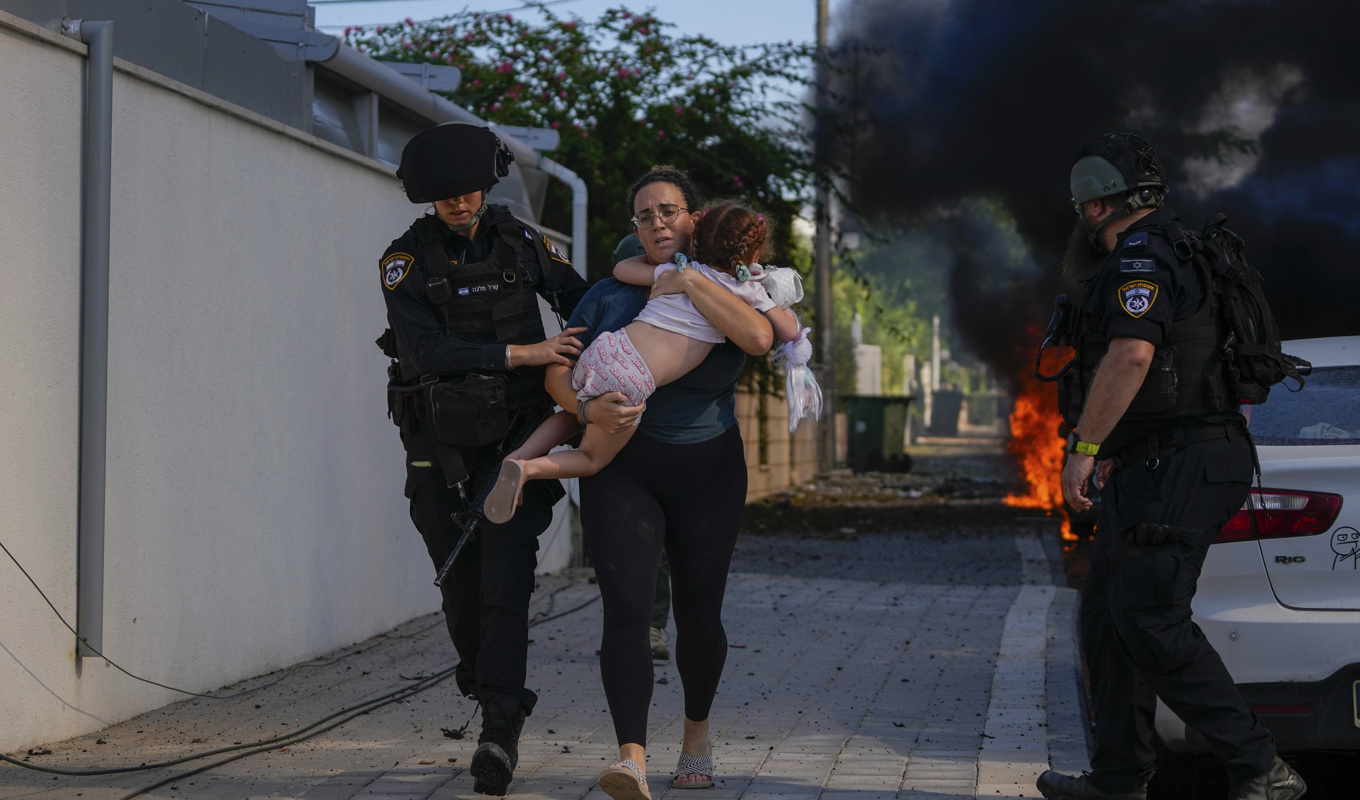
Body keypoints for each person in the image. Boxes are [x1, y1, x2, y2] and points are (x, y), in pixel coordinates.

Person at [1035, 133, 1306, 800]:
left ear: (1095, 207)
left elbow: (1132, 355)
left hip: (1180, 463)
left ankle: (1260, 767)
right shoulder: (1177, 247)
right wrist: (1113, 450)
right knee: (1108, 620)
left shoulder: (1142, 256)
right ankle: (1118, 779)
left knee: (1151, 619)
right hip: (1155, 461)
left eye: (1081, 207)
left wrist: (1085, 448)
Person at [545, 166, 775, 800]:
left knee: (700, 616)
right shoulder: (608, 295)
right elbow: (558, 373)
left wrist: (691, 280)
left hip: (709, 469)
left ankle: (696, 736)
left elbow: (762, 337)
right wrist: (584, 406)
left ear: (694, 218)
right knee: (626, 610)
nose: (657, 224)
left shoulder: (732, 285)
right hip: (624, 467)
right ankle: (632, 760)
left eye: (668, 211)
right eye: (645, 216)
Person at [376, 122, 590, 797]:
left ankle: (499, 727)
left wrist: (600, 355)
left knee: (505, 584)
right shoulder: (404, 260)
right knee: (460, 588)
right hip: (437, 449)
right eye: (445, 195)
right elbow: (425, 353)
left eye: (468, 189)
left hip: (516, 444)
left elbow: (583, 302)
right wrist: (526, 353)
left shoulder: (522, 241)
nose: (459, 202)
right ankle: (487, 683)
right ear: (426, 197)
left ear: (486, 185)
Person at [482, 201, 802, 523]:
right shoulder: (745, 292)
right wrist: (767, 291)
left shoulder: (680, 271)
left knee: (576, 414)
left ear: (696, 239)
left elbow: (622, 269)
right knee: (591, 458)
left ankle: (518, 455)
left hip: (609, 348)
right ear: (752, 254)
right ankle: (528, 469)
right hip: (632, 377)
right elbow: (788, 331)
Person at [612, 234, 674, 664]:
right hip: (616, 436)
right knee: (619, 542)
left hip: (663, 439)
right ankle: (627, 627)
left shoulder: (681, 299)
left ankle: (650, 626)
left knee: (657, 543)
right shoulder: (609, 301)